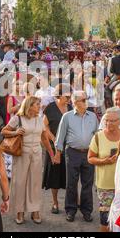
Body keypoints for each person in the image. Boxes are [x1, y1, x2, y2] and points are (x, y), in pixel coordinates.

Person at [1, 96, 54, 225]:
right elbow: (4, 131)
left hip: (36, 154)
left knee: (35, 183)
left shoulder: (39, 119)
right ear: (29, 106)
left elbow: (44, 138)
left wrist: (51, 154)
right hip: (21, 154)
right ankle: (19, 212)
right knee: (20, 183)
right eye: (37, 104)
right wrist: (16, 132)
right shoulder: (17, 118)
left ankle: (35, 210)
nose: (39, 107)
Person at [54, 91, 99, 223]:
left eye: (86, 99)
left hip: (89, 153)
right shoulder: (67, 117)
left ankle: (86, 211)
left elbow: (97, 135)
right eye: (83, 100)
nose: (86, 102)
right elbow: (60, 136)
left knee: (87, 183)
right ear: (75, 103)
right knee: (71, 183)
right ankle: (71, 210)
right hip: (72, 152)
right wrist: (58, 153)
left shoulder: (92, 116)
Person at [88, 107, 120, 232]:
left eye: (113, 121)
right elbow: (90, 158)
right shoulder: (98, 137)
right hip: (104, 185)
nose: (109, 123)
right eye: (107, 120)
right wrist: (104, 161)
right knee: (105, 219)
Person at [42, 84, 72, 215]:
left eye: (70, 95)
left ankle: (73, 201)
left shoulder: (70, 107)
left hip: (69, 146)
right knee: (54, 175)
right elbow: (45, 127)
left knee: (71, 175)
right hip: (54, 146)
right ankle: (55, 202)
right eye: (67, 96)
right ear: (59, 95)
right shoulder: (50, 108)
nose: (69, 98)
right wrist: (54, 139)